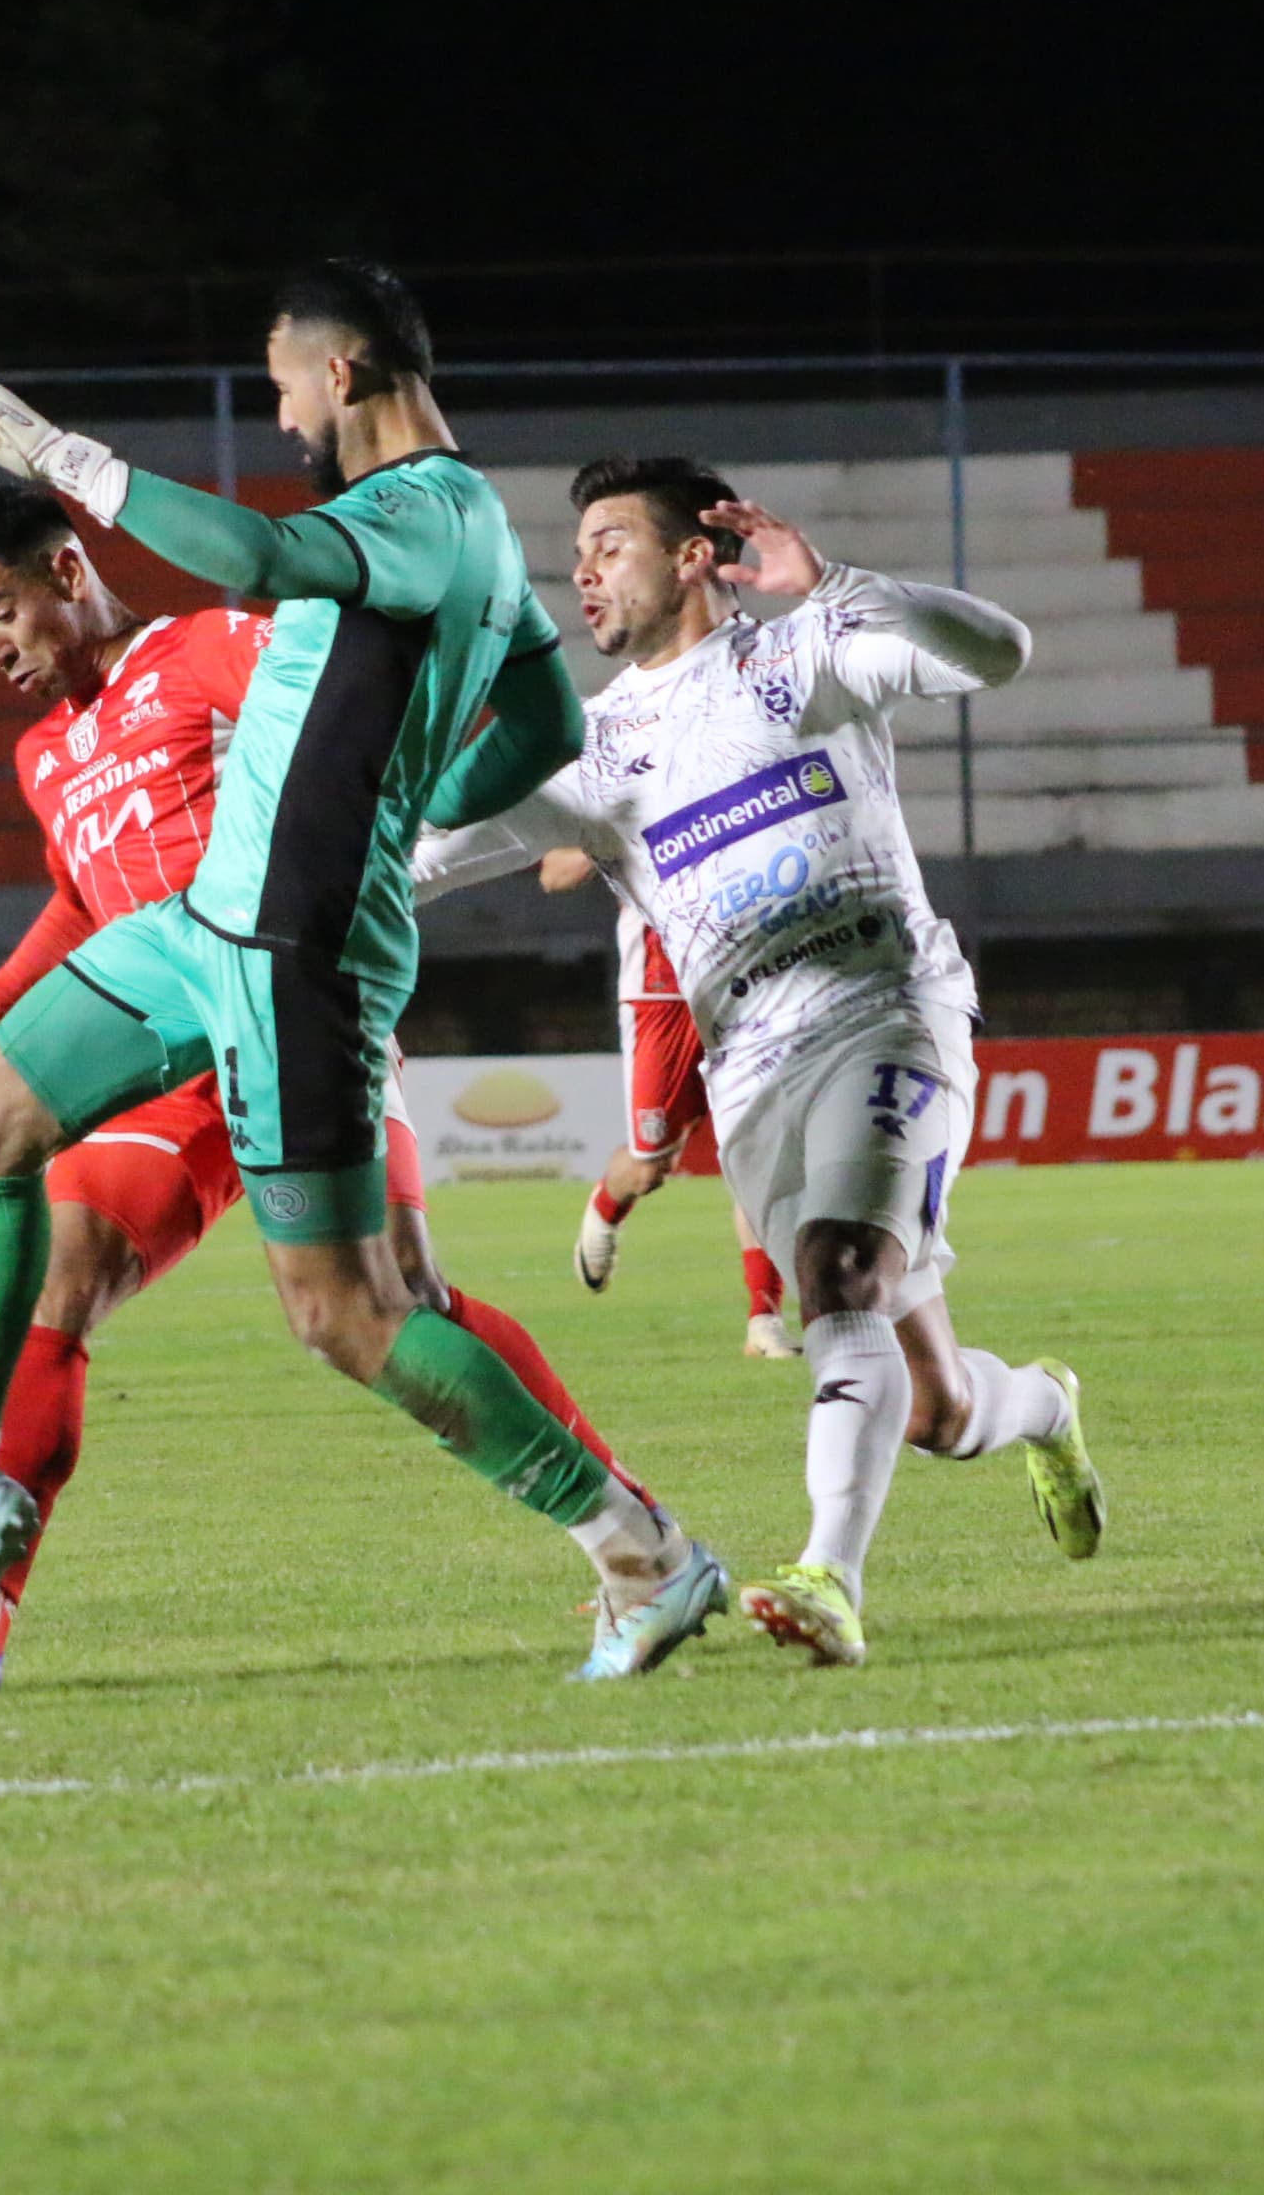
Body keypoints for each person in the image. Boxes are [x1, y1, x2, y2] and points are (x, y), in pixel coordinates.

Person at [0, 259, 720, 1687]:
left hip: (290, 950)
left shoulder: (419, 509)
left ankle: (644, 1552)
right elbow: (549, 718)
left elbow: (261, 563)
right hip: (211, 922)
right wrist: (408, 803)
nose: (278, 415)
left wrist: (48, 452)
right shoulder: (477, 538)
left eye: (281, 383)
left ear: (352, 372)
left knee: (352, 1313)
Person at [416, 454, 1105, 1670]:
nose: (582, 570)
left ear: (695, 554)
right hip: (755, 1072)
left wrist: (835, 582)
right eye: (576, 551)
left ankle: (830, 1577)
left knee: (842, 1273)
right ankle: (1044, 1403)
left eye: (612, 543)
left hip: (890, 1010)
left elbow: (1002, 649)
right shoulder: (589, 746)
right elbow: (419, 857)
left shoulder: (803, 656)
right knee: (936, 1406)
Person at [551, 879, 798, 1357]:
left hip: (744, 987)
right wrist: (595, 840)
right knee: (649, 1167)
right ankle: (606, 1204)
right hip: (661, 994)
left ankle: (763, 1320)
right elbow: (553, 872)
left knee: (759, 1156)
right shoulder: (613, 801)